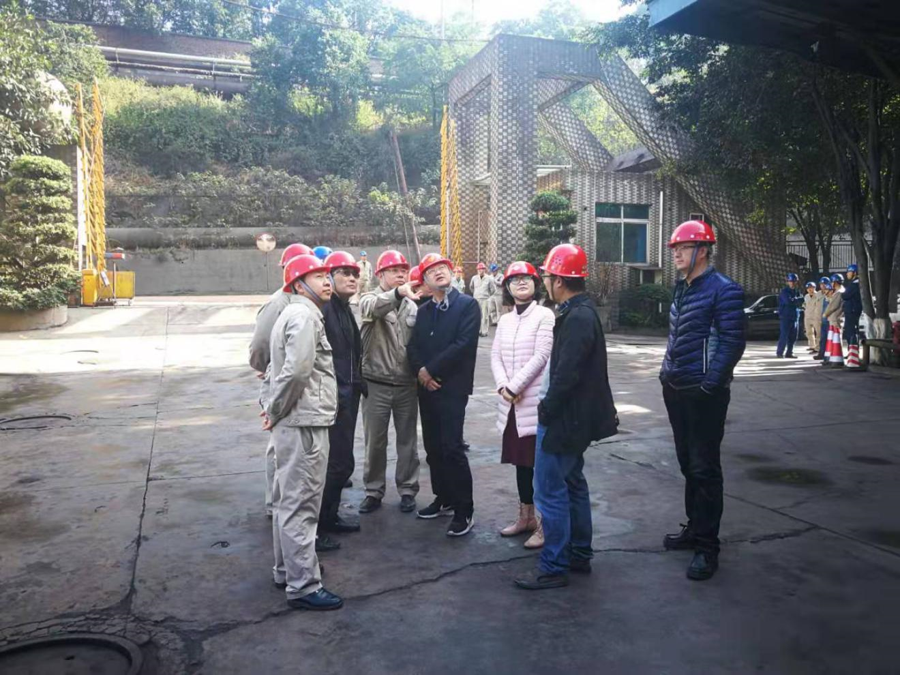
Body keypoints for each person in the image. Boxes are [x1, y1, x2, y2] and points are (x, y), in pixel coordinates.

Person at [514, 243, 619, 590]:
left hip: (564, 420)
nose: (545, 282)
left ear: (558, 280)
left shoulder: (577, 318)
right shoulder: (580, 312)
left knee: (549, 491)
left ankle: (554, 565)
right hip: (575, 418)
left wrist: (546, 410)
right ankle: (579, 553)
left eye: (547, 276)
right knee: (572, 483)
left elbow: (567, 374)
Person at [659, 220, 745, 582]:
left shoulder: (725, 290)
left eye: (683, 248)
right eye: (675, 249)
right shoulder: (682, 288)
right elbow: (677, 336)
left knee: (705, 468)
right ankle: (694, 528)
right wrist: (666, 372)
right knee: (687, 463)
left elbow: (733, 342)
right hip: (676, 387)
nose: (676, 254)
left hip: (704, 393)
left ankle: (708, 548)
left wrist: (711, 384)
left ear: (703, 251)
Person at [264, 253, 342, 611]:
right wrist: (275, 409)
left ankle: (287, 570)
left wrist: (271, 407)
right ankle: (304, 586)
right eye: (317, 276)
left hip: (294, 422)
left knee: (287, 501)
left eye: (327, 275)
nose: (327, 281)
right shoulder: (305, 317)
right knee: (303, 505)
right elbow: (296, 372)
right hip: (304, 423)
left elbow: (273, 369)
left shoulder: (291, 314)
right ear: (297, 284)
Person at [408, 252, 480, 537]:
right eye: (431, 270)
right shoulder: (425, 310)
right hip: (427, 388)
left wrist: (431, 370)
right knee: (434, 448)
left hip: (452, 387)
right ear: (424, 280)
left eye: (442, 267)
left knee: (452, 448)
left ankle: (465, 509)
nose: (438, 272)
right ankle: (444, 498)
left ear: (451, 273)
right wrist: (421, 372)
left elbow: (463, 344)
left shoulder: (467, 305)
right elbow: (413, 346)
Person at [490, 261, 554, 549]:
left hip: (532, 402)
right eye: (514, 279)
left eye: (527, 277)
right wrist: (503, 387)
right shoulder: (505, 320)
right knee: (521, 464)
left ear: (536, 283)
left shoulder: (544, 315)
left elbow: (542, 355)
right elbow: (495, 356)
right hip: (511, 404)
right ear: (507, 286)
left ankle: (543, 523)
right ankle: (525, 517)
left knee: (540, 466)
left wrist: (515, 387)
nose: (521, 282)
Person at [250, 243, 312, 517]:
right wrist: (267, 367)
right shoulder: (279, 302)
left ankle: (289, 503)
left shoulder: (305, 303)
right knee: (279, 446)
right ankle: (275, 504)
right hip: (279, 383)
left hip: (298, 384)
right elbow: (259, 347)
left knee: (296, 449)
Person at [358, 250, 422, 514]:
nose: (400, 275)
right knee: (375, 442)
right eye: (394, 270)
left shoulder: (411, 304)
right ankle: (373, 491)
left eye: (403, 270)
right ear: (380, 274)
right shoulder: (368, 299)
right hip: (376, 383)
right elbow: (372, 309)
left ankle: (407, 489)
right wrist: (397, 293)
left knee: (408, 440)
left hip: (406, 384)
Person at [317, 251, 366, 547]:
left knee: (342, 462)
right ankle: (317, 527)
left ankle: (329, 517)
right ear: (329, 278)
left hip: (346, 396)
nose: (351, 278)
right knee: (333, 464)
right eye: (344, 273)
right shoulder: (323, 310)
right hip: (331, 399)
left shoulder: (344, 309)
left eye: (355, 274)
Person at [842, 263, 863, 369]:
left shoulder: (855, 284)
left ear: (854, 273)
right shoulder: (855, 284)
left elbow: (845, 295)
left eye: (849, 272)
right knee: (850, 332)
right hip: (851, 311)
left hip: (852, 311)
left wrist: (842, 292)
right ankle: (852, 352)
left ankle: (853, 353)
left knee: (851, 332)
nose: (847, 274)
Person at [777, 273, 802, 359]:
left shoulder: (797, 291)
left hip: (795, 316)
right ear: (787, 282)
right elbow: (788, 302)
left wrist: (795, 300)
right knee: (784, 335)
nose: (792, 283)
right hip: (786, 317)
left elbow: (801, 301)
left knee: (793, 336)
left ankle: (789, 352)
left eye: (794, 281)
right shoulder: (784, 291)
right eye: (790, 281)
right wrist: (797, 300)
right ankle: (780, 352)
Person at [470, 262, 497, 337]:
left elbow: (493, 289)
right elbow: (471, 287)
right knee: (477, 316)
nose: (480, 271)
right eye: (478, 269)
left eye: (481, 269)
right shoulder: (474, 278)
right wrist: (476, 293)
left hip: (485, 299)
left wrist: (487, 295)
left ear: (484, 270)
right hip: (476, 299)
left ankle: (484, 331)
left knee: (485, 316)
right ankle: (478, 330)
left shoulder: (489, 278)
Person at [823, 275, 845, 367]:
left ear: (835, 282)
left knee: (836, 338)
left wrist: (825, 314)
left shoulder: (839, 293)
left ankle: (836, 359)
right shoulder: (838, 292)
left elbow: (833, 306)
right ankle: (831, 357)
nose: (831, 284)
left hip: (836, 318)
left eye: (832, 282)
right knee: (833, 339)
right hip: (834, 318)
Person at [814, 276, 832, 361]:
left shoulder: (830, 294)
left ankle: (827, 355)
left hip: (827, 319)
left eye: (824, 284)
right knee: (821, 337)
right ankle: (821, 353)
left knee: (828, 338)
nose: (823, 286)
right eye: (821, 284)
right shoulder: (817, 294)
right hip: (818, 318)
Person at [803, 281, 824, 354]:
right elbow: (804, 305)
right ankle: (812, 345)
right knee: (809, 332)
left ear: (814, 288)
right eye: (808, 288)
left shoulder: (818, 295)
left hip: (816, 316)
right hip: (807, 316)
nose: (810, 289)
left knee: (818, 333)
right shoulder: (806, 296)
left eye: (811, 288)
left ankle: (818, 347)